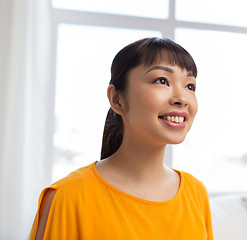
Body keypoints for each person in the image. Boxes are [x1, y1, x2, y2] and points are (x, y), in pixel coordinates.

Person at [29, 37, 213, 240]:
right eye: (162, 80)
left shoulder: (196, 193)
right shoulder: (67, 197)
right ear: (117, 99)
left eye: (190, 86)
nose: (182, 98)